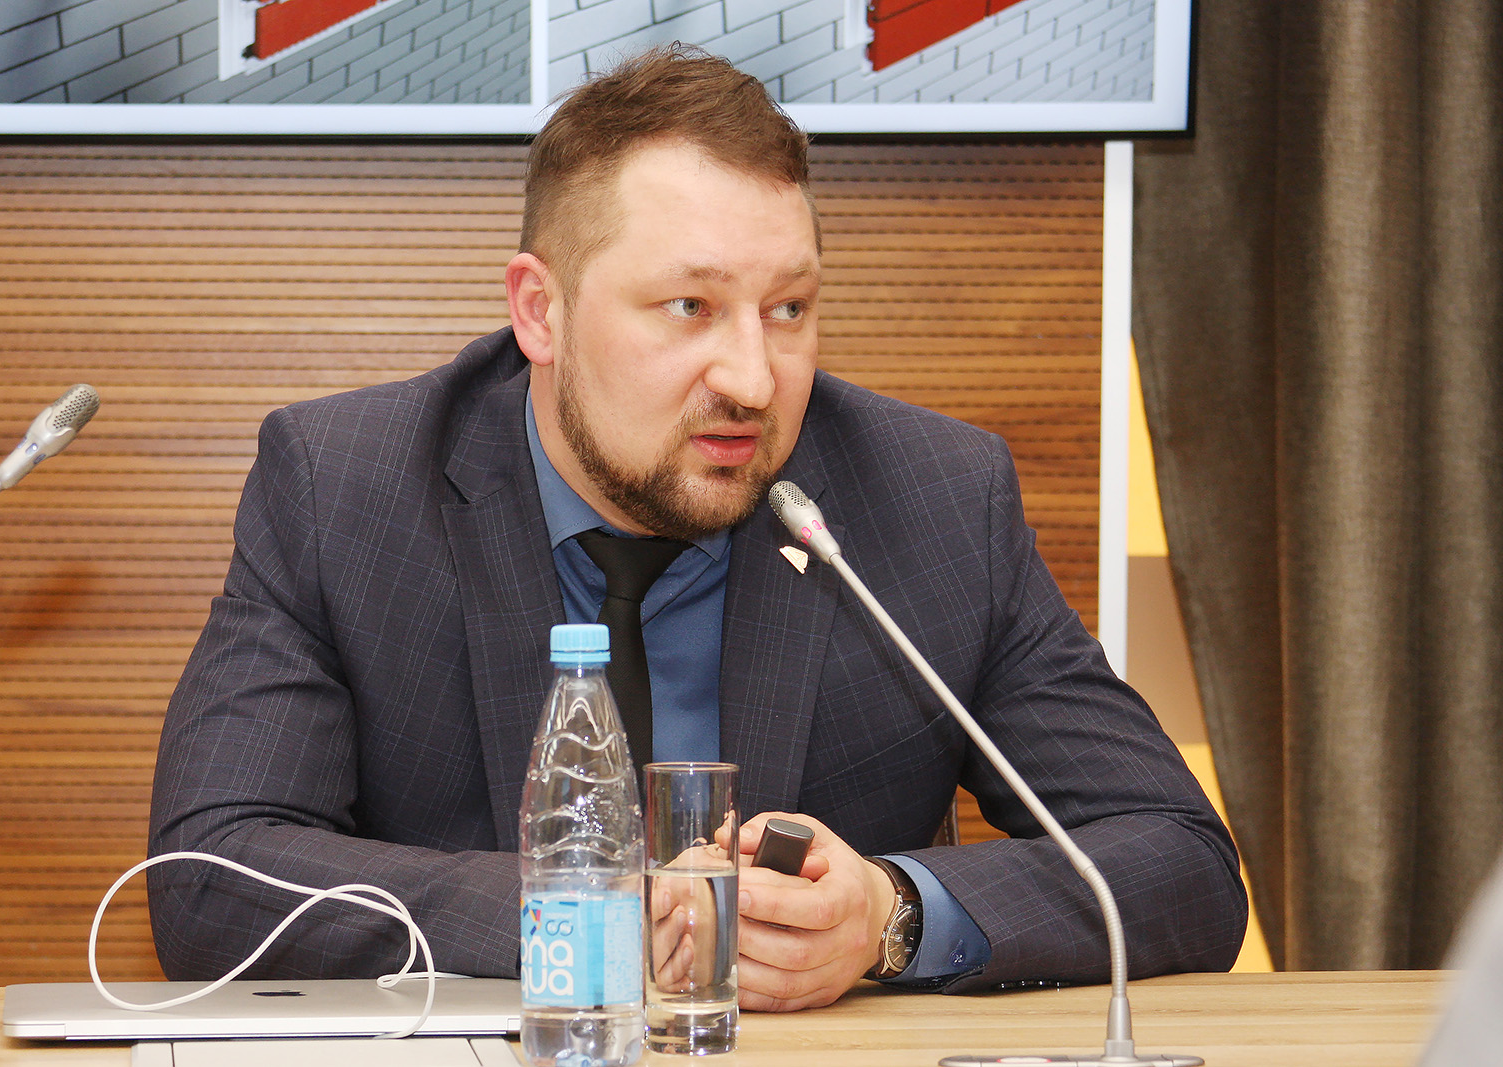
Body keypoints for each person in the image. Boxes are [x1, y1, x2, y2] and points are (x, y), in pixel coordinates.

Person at [148, 43, 1246, 1011]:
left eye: (788, 309)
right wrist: (595, 918)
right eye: (691, 307)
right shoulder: (345, 489)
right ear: (540, 310)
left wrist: (890, 912)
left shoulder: (931, 497)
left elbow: (1182, 858)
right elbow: (211, 874)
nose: (753, 379)